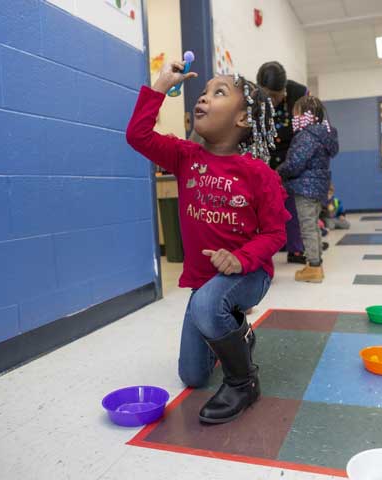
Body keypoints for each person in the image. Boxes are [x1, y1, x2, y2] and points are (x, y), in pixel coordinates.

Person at [126, 61, 289, 424]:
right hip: (204, 283)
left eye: (219, 93)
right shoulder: (185, 158)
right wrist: (159, 88)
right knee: (193, 375)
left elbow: (275, 234)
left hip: (249, 273)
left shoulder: (258, 174)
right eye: (203, 92)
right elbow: (137, 136)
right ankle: (238, 331)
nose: (203, 98)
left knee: (206, 306)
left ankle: (243, 382)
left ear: (243, 120)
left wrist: (240, 258)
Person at [277, 96, 338, 283]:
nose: (293, 117)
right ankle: (316, 263)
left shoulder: (306, 135)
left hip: (306, 187)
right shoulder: (324, 134)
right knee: (314, 225)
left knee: (308, 227)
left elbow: (295, 163)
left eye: (296, 113)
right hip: (319, 187)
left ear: (305, 115)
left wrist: (278, 172)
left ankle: (314, 267)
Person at [257, 61, 308, 264]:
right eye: (266, 95)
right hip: (266, 155)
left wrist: (291, 164)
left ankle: (296, 249)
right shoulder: (254, 98)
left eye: (275, 96)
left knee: (292, 204)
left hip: (293, 156)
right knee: (265, 206)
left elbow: (305, 135)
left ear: (284, 90)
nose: (271, 101)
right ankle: (264, 248)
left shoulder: (299, 95)